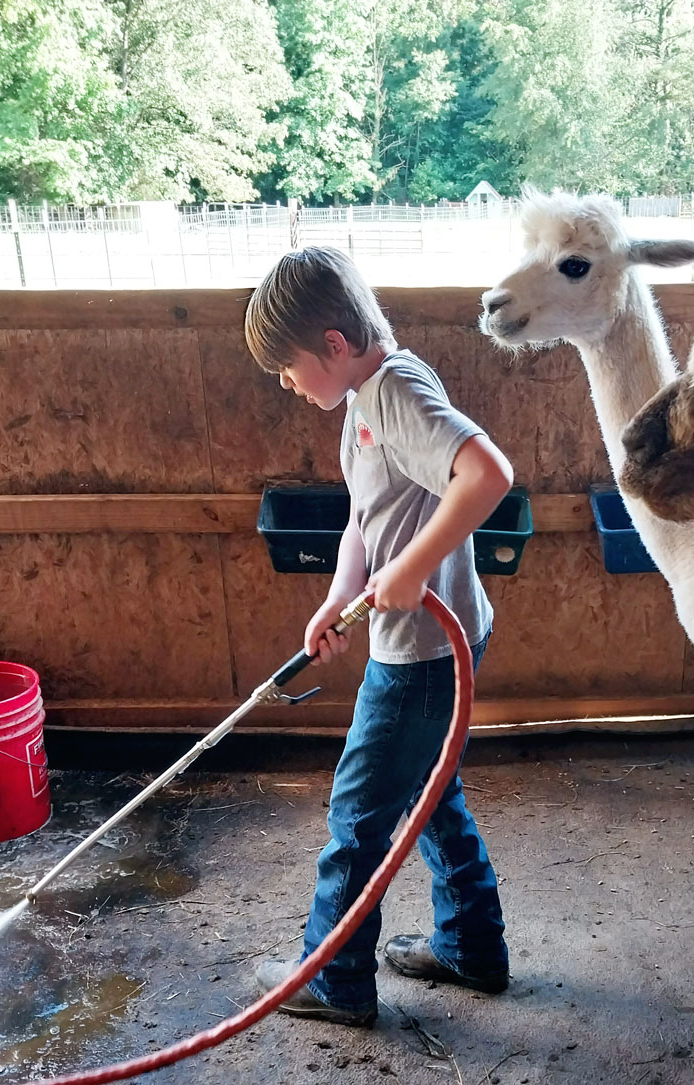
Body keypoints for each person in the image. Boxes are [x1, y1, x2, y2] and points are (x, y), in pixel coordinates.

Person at [243, 246, 512, 1027]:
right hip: (421, 646)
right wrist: (338, 595)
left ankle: (334, 977)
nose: (288, 387)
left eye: (289, 369)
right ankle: (472, 945)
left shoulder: (394, 390)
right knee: (430, 798)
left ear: (333, 342)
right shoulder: (364, 397)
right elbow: (367, 516)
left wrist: (416, 570)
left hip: (424, 654)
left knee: (359, 818)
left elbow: (486, 474)